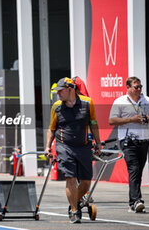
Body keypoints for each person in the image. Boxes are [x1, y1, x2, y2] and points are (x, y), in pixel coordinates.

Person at [44, 77, 101, 223]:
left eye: (60, 91)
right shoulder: (56, 106)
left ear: (70, 89)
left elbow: (93, 124)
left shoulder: (88, 103)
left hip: (84, 146)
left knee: (86, 182)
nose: (58, 94)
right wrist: (47, 147)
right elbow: (51, 129)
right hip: (64, 146)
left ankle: (73, 204)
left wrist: (98, 143)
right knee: (71, 178)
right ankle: (75, 211)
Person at [109, 76, 149, 213]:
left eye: (140, 87)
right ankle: (137, 200)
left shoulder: (146, 100)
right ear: (128, 88)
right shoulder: (120, 101)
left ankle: (132, 202)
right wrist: (132, 119)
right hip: (128, 141)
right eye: (136, 87)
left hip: (144, 141)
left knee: (138, 171)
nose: (139, 89)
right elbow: (111, 121)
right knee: (134, 169)